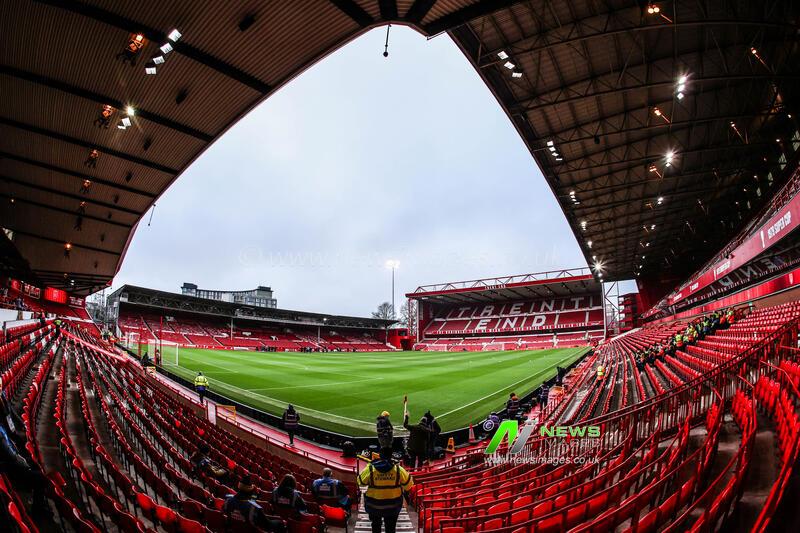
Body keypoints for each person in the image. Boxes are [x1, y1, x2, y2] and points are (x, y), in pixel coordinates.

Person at [357, 447, 413, 533]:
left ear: (379, 455)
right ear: (391, 456)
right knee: (390, 528)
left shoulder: (370, 468)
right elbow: (408, 486)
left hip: (373, 506)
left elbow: (360, 482)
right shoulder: (398, 469)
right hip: (393, 506)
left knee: (375, 526)